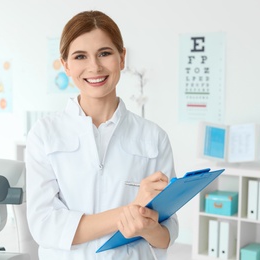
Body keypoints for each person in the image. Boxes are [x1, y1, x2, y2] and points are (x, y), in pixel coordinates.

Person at [25, 10, 178, 259]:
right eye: (80, 56)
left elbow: (166, 235)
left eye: (104, 53)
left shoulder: (154, 137)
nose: (94, 67)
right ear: (66, 65)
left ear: (122, 58)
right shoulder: (45, 134)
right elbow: (45, 226)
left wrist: (149, 227)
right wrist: (130, 211)